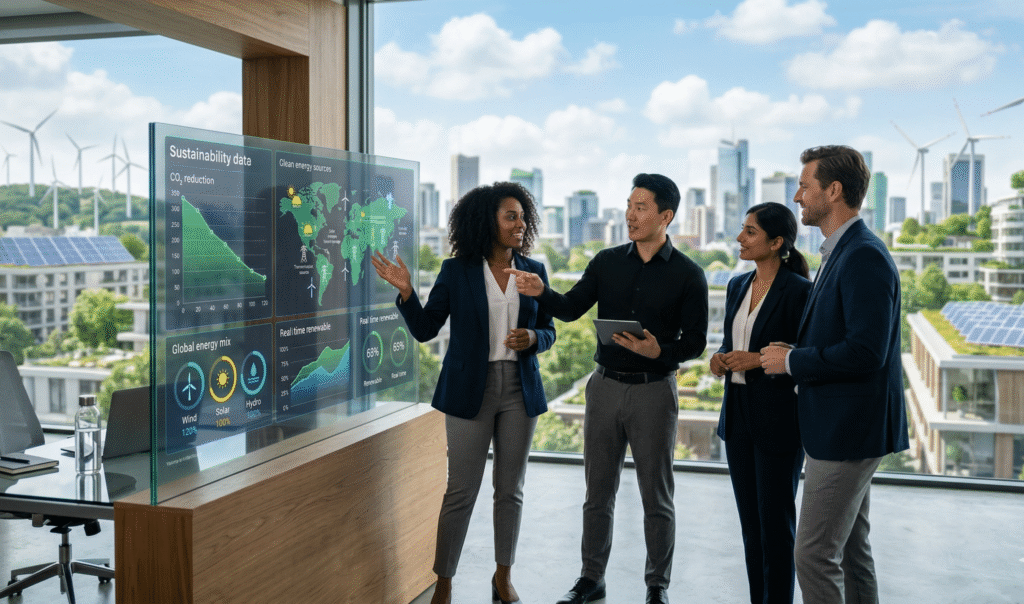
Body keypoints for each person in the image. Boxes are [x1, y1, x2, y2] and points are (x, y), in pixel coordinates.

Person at [508, 173, 707, 604]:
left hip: (654, 391)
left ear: (666, 216)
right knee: (597, 492)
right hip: (604, 388)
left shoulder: (689, 274)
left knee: (656, 495)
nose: (630, 215)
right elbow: (570, 308)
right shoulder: (606, 261)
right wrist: (542, 292)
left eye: (641, 207)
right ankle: (591, 578)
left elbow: (696, 342)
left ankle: (657, 586)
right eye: (629, 205)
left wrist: (659, 350)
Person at [371, 182, 555, 604]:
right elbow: (425, 329)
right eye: (511, 217)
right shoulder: (457, 271)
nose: (520, 224)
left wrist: (533, 337)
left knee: (510, 490)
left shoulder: (534, 271)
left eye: (523, 217)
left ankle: (503, 577)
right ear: (487, 221)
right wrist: (406, 293)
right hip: (470, 388)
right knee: (461, 492)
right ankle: (445, 583)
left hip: (520, 389)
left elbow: (548, 330)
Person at [760, 146, 909, 604]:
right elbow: (849, 336)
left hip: (847, 431)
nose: (797, 197)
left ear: (834, 190)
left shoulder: (863, 256)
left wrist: (791, 362)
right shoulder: (842, 251)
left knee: (813, 555)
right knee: (851, 552)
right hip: (846, 427)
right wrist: (797, 352)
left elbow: (866, 351)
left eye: (805, 186)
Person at [710, 202, 811, 604]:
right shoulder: (737, 285)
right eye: (743, 229)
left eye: (750, 232)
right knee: (751, 529)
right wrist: (720, 359)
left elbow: (804, 356)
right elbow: (729, 342)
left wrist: (756, 360)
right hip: (737, 418)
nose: (740, 237)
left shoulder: (800, 291)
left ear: (776, 242)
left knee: (776, 529)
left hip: (779, 422)